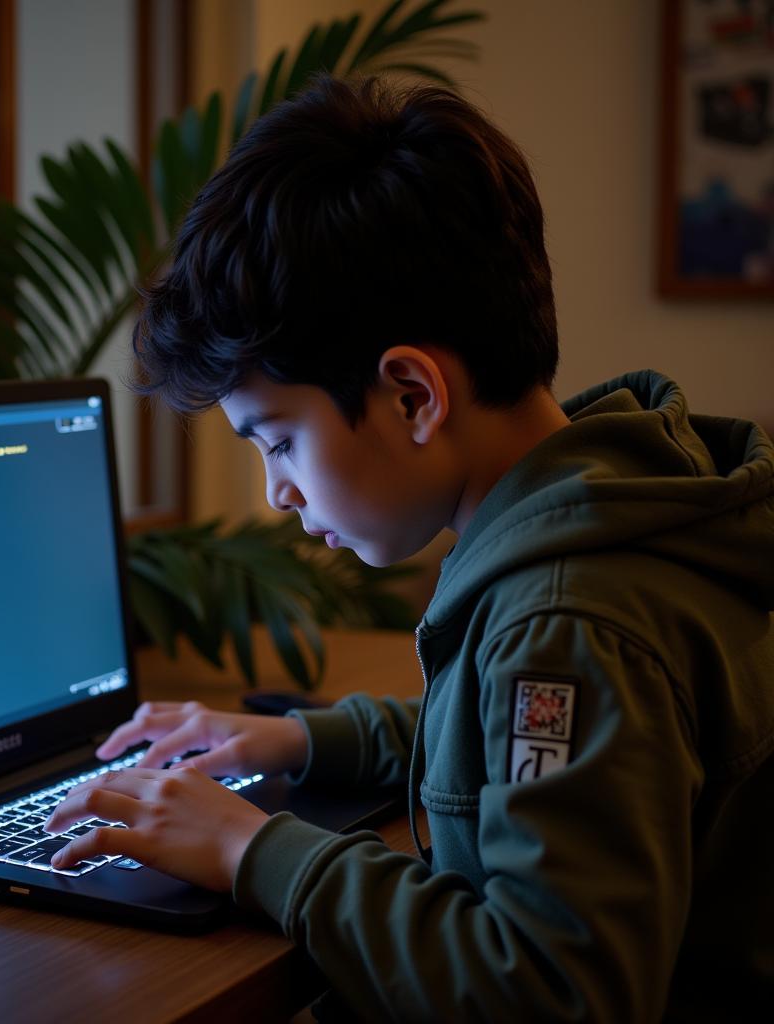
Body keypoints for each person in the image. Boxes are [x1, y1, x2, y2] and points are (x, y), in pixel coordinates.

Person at [44, 76, 774, 1021]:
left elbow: (554, 992)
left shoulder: (569, 621)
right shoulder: (616, 505)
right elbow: (510, 754)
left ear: (413, 396)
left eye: (276, 439)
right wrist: (297, 738)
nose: (278, 491)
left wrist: (250, 850)